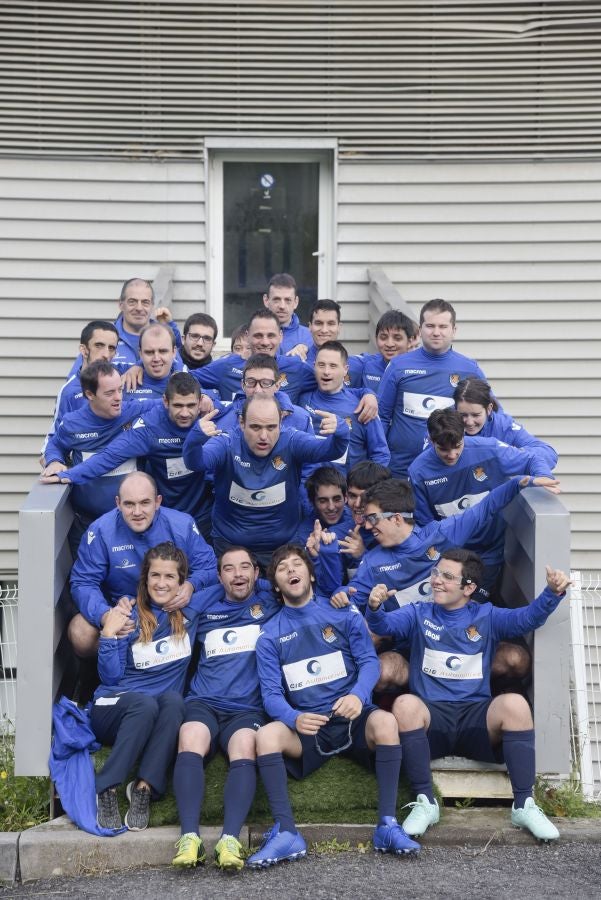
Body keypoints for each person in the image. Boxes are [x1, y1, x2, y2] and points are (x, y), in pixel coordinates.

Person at [365, 548, 570, 842]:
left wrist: (551, 592)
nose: (436, 581)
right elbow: (384, 626)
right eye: (435, 572)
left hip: (475, 718)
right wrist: (375, 607)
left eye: (447, 577)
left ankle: (524, 804)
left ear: (469, 588)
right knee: (405, 704)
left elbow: (527, 619)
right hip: (432, 717)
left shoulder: (486, 615)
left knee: (515, 704)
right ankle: (426, 802)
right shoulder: (418, 613)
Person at [245, 544, 420, 869]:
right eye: (282, 569)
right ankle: (286, 832)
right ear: (276, 584)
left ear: (311, 574)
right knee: (267, 735)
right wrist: (293, 718)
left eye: (297, 565)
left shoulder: (342, 613)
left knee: (385, 723)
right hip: (310, 725)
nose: (291, 571)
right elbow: (270, 696)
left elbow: (369, 662)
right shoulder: (269, 635)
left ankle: (387, 825)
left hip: (351, 716)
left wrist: (357, 696)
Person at [171, 547, 281, 871]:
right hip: (204, 702)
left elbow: (282, 586)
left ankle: (229, 840)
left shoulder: (271, 606)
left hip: (247, 708)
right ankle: (189, 838)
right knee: (190, 734)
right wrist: (208, 588)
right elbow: (187, 604)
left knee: (245, 745)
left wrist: (258, 583)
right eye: (229, 569)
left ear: (257, 573)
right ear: (219, 576)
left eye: (246, 567)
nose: (238, 574)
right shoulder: (206, 609)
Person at [92, 541, 196, 831]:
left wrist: (193, 587)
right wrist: (109, 634)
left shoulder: (191, 614)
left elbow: (237, 584)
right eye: (155, 576)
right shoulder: (128, 615)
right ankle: (107, 788)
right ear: (145, 579)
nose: (161, 583)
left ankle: (143, 788)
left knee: (175, 701)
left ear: (180, 583)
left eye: (170, 577)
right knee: (145, 702)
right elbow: (110, 678)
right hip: (111, 707)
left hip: (155, 712)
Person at [182, 394, 350, 566]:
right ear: (241, 423)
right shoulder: (227, 443)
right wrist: (194, 440)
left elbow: (330, 451)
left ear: (281, 424)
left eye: (271, 427)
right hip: (231, 546)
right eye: (255, 427)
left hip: (283, 547)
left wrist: (341, 432)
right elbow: (197, 462)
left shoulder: (291, 441)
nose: (263, 436)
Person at [42, 373, 214, 538]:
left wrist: (208, 396)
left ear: (199, 403)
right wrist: (64, 471)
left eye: (190, 406)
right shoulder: (148, 429)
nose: (184, 413)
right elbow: (108, 456)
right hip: (154, 518)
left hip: (204, 516)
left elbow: (231, 405)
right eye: (178, 406)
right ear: (166, 402)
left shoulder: (212, 416)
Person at [409, 408, 556, 601]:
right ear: (431, 439)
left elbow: (532, 457)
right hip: (452, 552)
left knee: (474, 605)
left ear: (464, 435)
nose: (452, 455)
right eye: (444, 449)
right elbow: (425, 522)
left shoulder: (489, 449)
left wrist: (543, 476)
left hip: (490, 549)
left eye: (458, 446)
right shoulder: (418, 471)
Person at [68, 471, 217, 656]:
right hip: (125, 613)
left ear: (157, 502)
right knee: (80, 631)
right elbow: (83, 582)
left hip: (173, 608)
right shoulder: (100, 531)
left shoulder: (182, 525)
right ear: (117, 503)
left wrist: (191, 585)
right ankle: (96, 674)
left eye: (145, 503)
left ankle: (196, 672)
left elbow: (209, 567)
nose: (137, 512)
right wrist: (106, 615)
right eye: (129, 504)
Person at [378, 299, 491, 478]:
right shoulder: (398, 366)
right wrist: (380, 464)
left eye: (443, 326)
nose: (436, 332)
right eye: (430, 326)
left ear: (454, 330)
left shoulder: (470, 369)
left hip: (450, 471)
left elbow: (490, 417)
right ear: (420, 330)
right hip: (400, 471)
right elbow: (381, 418)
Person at [40, 361, 149, 528]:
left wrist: (204, 398)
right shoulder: (73, 423)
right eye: (110, 393)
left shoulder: (134, 410)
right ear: (90, 394)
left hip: (132, 520)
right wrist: (54, 460)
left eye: (120, 390)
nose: (118, 397)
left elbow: (167, 405)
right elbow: (55, 445)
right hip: (87, 521)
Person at [299, 340, 390, 473]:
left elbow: (381, 455)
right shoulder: (302, 399)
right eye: (321, 365)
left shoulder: (362, 405)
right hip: (310, 488)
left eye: (333, 366)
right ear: (314, 366)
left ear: (345, 369)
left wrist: (366, 487)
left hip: (348, 489)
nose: (326, 371)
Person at [42, 320, 121, 460]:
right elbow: (55, 437)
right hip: (86, 475)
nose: (106, 354)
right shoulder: (70, 391)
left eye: (111, 348)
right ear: (84, 350)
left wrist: (137, 366)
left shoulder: (124, 375)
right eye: (99, 346)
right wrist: (53, 461)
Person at [453, 378, 558, 471]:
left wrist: (508, 454)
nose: (470, 422)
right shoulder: (445, 424)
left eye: (476, 415)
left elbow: (549, 454)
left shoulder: (504, 427)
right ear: (455, 410)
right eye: (463, 415)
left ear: (489, 409)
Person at [212, 353, 313, 436]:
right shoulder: (224, 416)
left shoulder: (301, 419)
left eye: (265, 383)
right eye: (251, 382)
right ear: (243, 385)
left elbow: (312, 459)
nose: (258, 390)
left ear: (277, 386)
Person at [354, 309, 419, 392]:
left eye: (397, 338)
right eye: (383, 337)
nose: (389, 344)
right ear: (376, 338)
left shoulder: (420, 371)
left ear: (410, 341)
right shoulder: (366, 364)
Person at [295, 466, 354, 546]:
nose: (331, 507)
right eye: (323, 501)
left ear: (346, 498)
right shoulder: (304, 534)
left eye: (336, 499)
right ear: (312, 502)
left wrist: (360, 554)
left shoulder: (357, 523)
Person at [123, 323, 180, 401]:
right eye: (149, 352)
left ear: (174, 352)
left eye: (163, 351)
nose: (156, 358)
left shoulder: (188, 384)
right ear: (140, 353)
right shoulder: (124, 381)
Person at [262, 272, 312, 354]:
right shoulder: (252, 336)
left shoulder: (310, 338)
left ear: (296, 302)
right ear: (266, 300)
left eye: (288, 300)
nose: (282, 306)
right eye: (276, 299)